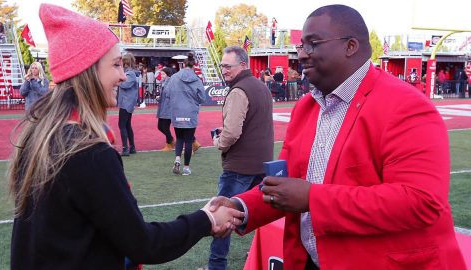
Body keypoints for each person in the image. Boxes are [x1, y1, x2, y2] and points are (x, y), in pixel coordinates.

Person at [210, 4, 466, 270]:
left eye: (313, 44)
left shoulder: (406, 105)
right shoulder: (305, 107)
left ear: (350, 46)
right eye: (302, 46)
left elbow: (420, 202)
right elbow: (285, 186)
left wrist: (312, 198)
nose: (303, 55)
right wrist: (239, 207)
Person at [8, 4, 244, 269]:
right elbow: (142, 244)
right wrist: (206, 220)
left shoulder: (40, 135)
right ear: (88, 70)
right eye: (116, 65)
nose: (123, 75)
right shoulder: (87, 151)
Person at [207, 46, 274, 270]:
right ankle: (264, 257)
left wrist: (218, 143)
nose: (223, 70)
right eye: (222, 65)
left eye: (228, 66)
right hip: (261, 163)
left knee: (221, 217)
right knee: (262, 214)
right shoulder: (261, 87)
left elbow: (232, 132)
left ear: (243, 65)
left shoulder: (238, 90)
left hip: (239, 166)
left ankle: (217, 266)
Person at [167, 53, 206, 176]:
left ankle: (177, 158)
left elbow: (167, 93)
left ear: (183, 64)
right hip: (190, 112)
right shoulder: (197, 79)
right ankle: (186, 167)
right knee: (188, 141)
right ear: (194, 65)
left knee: (179, 138)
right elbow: (202, 98)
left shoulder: (174, 77)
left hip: (177, 111)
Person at [118, 53, 139, 156]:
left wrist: (118, 81)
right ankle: (132, 147)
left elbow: (125, 85)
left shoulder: (130, 73)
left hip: (126, 102)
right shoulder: (130, 73)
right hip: (127, 102)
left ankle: (125, 148)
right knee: (127, 125)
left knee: (122, 125)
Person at [156, 67, 175, 151]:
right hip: (163, 107)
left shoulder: (170, 81)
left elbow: (169, 93)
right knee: (160, 126)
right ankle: (170, 141)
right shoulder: (164, 82)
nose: (161, 75)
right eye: (161, 74)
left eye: (163, 74)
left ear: (167, 74)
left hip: (168, 108)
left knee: (164, 126)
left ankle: (169, 143)